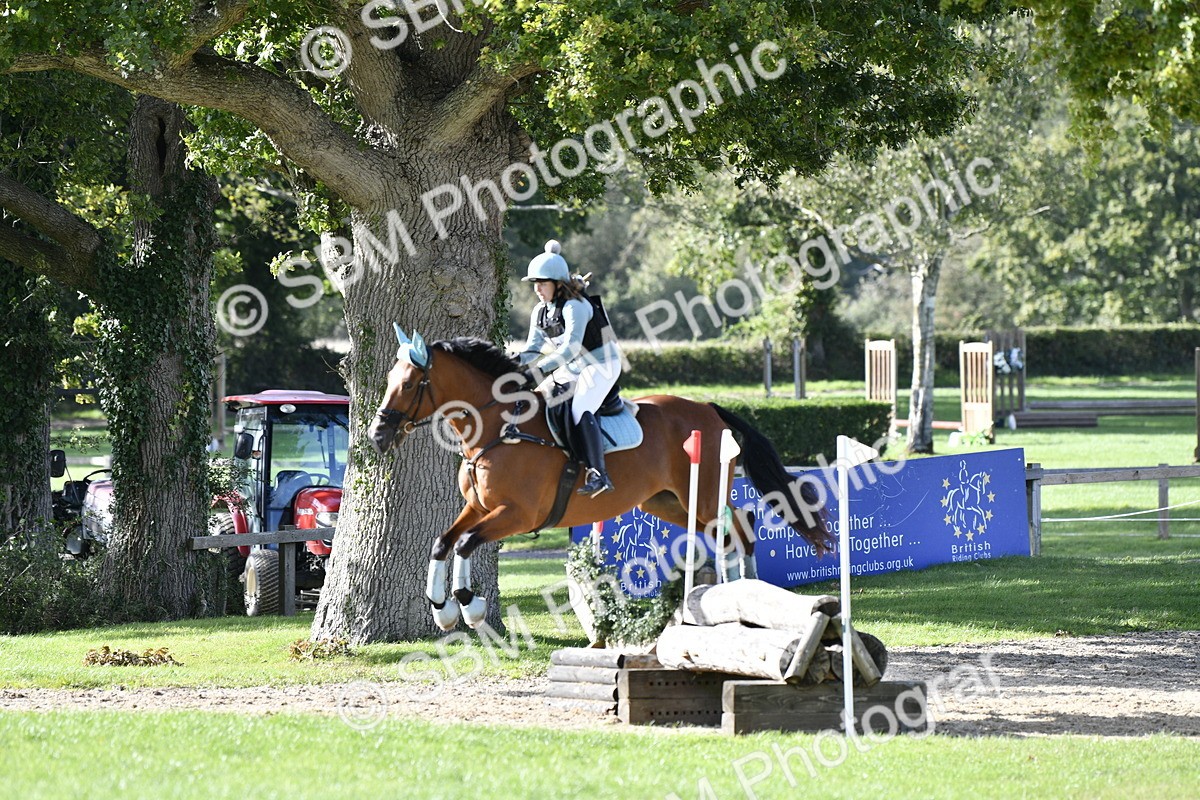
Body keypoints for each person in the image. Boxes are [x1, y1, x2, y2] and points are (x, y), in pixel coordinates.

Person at [517, 240, 622, 497]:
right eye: (535, 284)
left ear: (557, 284)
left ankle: (599, 473)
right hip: (575, 367)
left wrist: (538, 370)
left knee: (580, 408)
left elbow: (571, 349)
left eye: (542, 284)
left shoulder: (575, 306)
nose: (538, 289)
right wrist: (511, 366)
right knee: (540, 399)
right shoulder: (540, 311)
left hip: (601, 364)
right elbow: (532, 348)